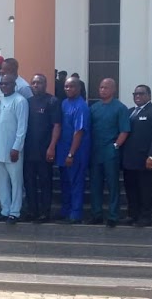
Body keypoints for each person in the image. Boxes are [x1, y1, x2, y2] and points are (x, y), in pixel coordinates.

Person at [122, 85, 152, 227]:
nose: (137, 96)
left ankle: (146, 216)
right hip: (130, 160)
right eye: (135, 93)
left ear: (149, 95)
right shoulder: (130, 112)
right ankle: (133, 215)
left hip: (146, 159)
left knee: (146, 190)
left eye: (141, 93)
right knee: (131, 189)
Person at [87, 78, 130, 228]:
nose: (102, 90)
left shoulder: (120, 108)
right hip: (95, 152)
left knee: (113, 185)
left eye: (106, 87)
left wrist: (115, 145)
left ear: (113, 90)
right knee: (95, 185)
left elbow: (124, 130)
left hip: (110, 152)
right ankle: (96, 214)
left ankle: (113, 215)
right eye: (100, 87)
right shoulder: (94, 108)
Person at [23, 74, 61, 224]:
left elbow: (57, 125)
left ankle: (45, 213)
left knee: (46, 183)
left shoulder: (52, 101)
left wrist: (51, 147)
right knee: (29, 183)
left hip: (45, 150)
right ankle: (32, 211)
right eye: (33, 83)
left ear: (45, 84)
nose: (36, 85)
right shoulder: (27, 102)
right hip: (28, 151)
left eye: (39, 82)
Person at [0, 74, 29, 224]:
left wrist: (16, 148)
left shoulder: (20, 101)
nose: (4, 86)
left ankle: (15, 212)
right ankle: (5, 210)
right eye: (2, 84)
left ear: (14, 85)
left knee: (16, 182)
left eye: (7, 84)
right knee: (1, 183)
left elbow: (22, 127)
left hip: (13, 150)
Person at [56, 77, 90, 224]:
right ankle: (65, 210)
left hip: (76, 152)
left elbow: (79, 132)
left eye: (71, 87)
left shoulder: (81, 106)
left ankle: (75, 214)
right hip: (63, 150)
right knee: (64, 183)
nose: (68, 89)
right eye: (66, 86)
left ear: (78, 88)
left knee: (76, 183)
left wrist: (71, 153)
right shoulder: (64, 103)